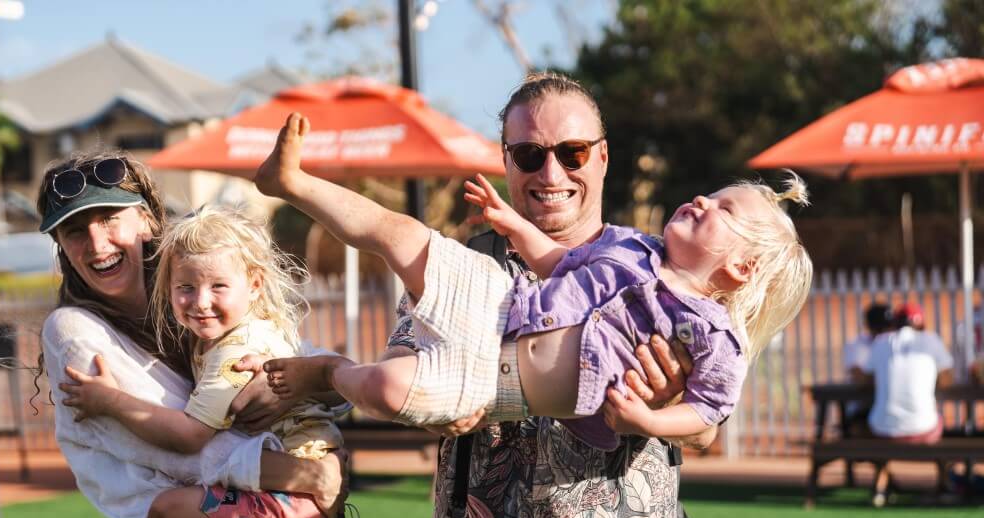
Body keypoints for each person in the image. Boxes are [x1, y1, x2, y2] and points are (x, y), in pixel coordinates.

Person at [309, 72, 711, 518]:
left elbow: (707, 428)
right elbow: (399, 376)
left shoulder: (658, 270)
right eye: (529, 155)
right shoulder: (460, 268)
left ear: (602, 156)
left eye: (571, 152)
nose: (551, 174)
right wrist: (443, 408)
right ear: (505, 162)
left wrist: (661, 406)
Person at [256, 111, 813, 453]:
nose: (700, 199)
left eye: (724, 211)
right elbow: (557, 264)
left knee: (385, 390)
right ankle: (292, 182)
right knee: (401, 234)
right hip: (496, 303)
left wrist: (650, 417)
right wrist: (512, 226)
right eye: (527, 154)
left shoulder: (712, 336)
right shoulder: (629, 245)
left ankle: (329, 371)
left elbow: (709, 412)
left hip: (495, 386)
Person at [37, 150, 343, 518]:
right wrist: (300, 473)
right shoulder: (72, 331)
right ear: (60, 245)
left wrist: (292, 389)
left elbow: (323, 374)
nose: (97, 243)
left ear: (148, 220)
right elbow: (178, 450)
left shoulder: (201, 301)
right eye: (74, 230)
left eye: (110, 219)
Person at [859, 301, 953, 507]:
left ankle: (880, 488)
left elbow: (866, 379)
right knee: (937, 422)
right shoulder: (931, 341)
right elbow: (947, 379)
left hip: (882, 430)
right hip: (924, 430)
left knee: (873, 425)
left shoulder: (881, 342)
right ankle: (945, 485)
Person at [842, 303, 894, 435]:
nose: (884, 332)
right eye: (880, 328)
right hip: (865, 409)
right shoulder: (857, 345)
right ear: (869, 326)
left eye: (887, 327)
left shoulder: (896, 343)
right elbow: (859, 377)